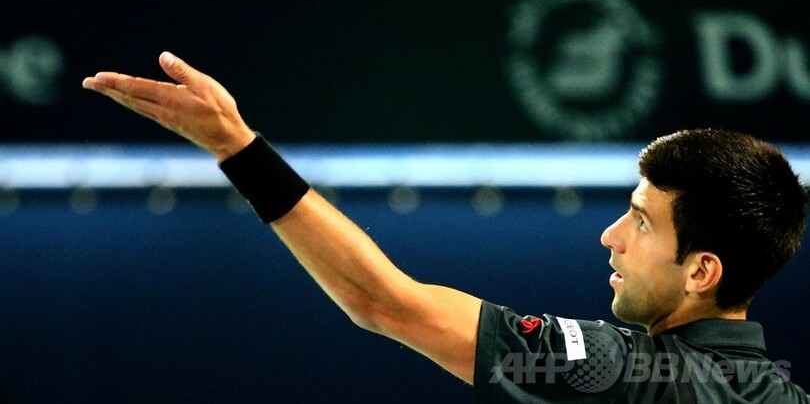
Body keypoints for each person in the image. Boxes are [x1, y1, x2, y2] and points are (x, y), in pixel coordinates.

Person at [82, 51, 810, 403]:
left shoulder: (625, 374)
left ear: (702, 271)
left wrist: (236, 147)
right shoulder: (783, 395)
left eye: (642, 223)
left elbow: (383, 302)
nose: (610, 236)